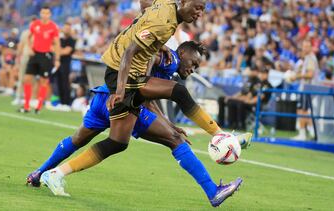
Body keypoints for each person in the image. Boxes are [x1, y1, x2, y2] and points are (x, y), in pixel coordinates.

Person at [37, 41, 250, 207]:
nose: (193, 69)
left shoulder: (168, 66)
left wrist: (167, 121)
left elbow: (149, 97)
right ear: (183, 54)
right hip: (125, 101)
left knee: (78, 139)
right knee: (175, 140)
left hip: (103, 97)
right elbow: (151, 59)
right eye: (193, 63)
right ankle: (213, 188)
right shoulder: (171, 59)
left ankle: (41, 172)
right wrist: (143, 78)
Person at [20, 6, 61, 114]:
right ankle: (26, 106)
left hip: (46, 56)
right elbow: (28, 37)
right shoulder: (35, 24)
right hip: (34, 55)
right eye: (43, 13)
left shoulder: (53, 27)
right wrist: (29, 48)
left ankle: (38, 107)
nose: (45, 15)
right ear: (40, 13)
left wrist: (57, 59)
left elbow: (57, 43)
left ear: (50, 14)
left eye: (47, 13)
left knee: (44, 81)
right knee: (27, 79)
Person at [293, 40, 319, 140]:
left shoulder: (311, 58)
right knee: (301, 110)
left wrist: (297, 76)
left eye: (307, 46)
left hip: (308, 88)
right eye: (303, 46)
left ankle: (304, 133)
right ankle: (306, 131)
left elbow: (310, 74)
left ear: (311, 48)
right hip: (305, 88)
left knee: (303, 110)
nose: (304, 49)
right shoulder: (307, 58)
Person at [55, 22, 76, 107]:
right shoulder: (59, 39)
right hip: (58, 63)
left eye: (68, 28)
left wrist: (58, 51)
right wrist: (59, 51)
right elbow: (53, 48)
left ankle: (66, 103)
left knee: (65, 83)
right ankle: (61, 102)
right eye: (65, 28)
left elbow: (66, 51)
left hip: (66, 64)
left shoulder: (72, 40)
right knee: (58, 82)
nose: (66, 30)